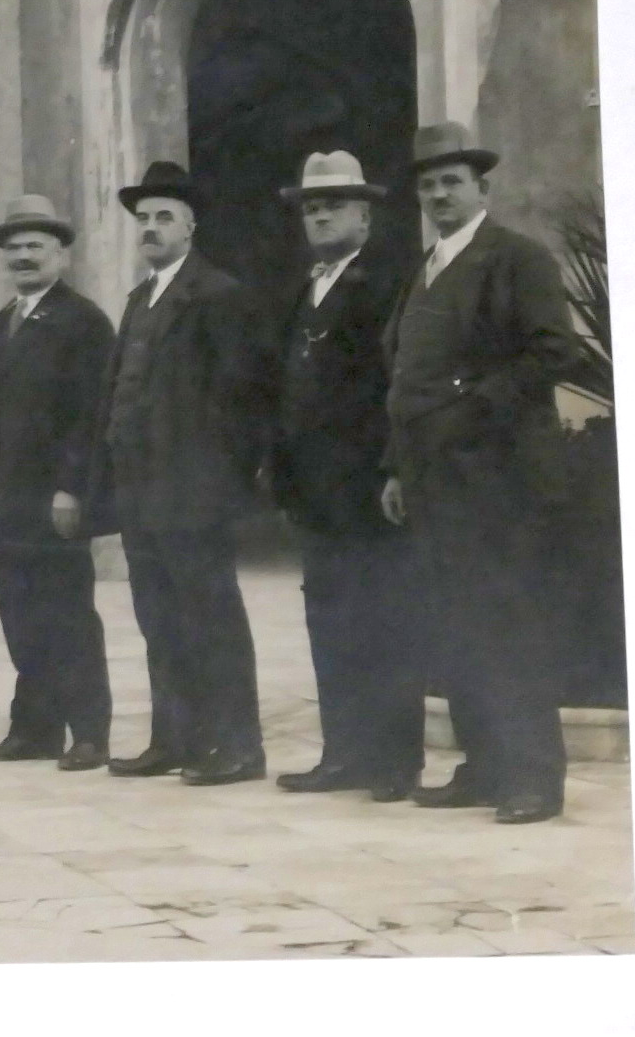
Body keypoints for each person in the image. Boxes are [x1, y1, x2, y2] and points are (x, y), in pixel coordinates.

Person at [381, 123, 581, 825]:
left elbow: (550, 351)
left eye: (451, 181)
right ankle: (482, 765)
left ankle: (532, 778)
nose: (438, 193)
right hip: (433, 481)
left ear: (480, 187)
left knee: (509, 623)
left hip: (501, 482)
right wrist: (395, 467)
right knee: (456, 624)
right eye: (427, 184)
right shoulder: (424, 268)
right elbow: (404, 375)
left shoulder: (515, 259)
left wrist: (470, 408)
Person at [91, 161, 272, 786]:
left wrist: (220, 482)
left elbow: (240, 401)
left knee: (210, 617)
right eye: (143, 219)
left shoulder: (217, 295)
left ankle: (237, 747)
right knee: (158, 619)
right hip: (141, 491)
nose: (151, 227)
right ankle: (176, 738)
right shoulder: (140, 299)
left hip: (192, 491)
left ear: (191, 227)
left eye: (164, 217)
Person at [269, 153, 423, 803]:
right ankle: (343, 752)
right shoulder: (304, 289)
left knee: (383, 619)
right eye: (310, 205)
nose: (320, 213)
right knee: (328, 619)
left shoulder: (388, 282)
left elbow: (400, 383)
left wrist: (393, 466)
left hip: (365, 488)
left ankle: (392, 761)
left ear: (365, 214)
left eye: (334, 203)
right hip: (316, 491)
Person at [0, 195, 116, 772]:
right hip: (6, 499)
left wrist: (71, 488)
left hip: (52, 497)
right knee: (19, 614)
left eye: (36, 246)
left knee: (68, 612)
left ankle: (89, 732)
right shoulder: (2, 322)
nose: (23, 256)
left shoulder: (83, 321)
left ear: (62, 255)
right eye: (15, 247)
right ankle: (34, 729)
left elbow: (89, 414)